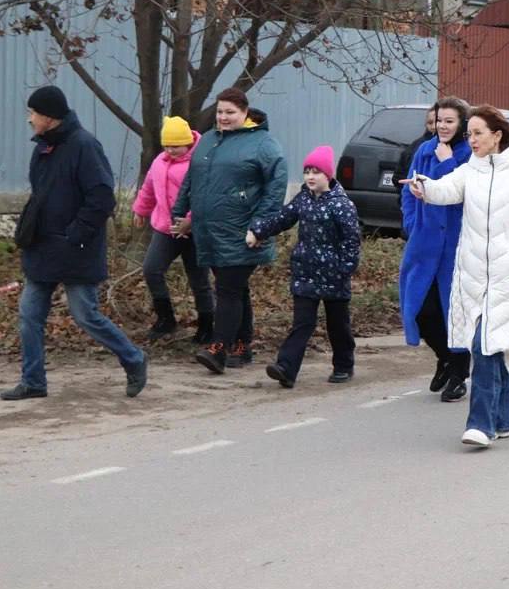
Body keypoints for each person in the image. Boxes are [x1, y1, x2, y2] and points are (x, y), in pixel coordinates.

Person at [403, 107, 509, 449]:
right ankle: (503, 418)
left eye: (477, 133)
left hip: (506, 275)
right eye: (468, 134)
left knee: (483, 345)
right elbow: (445, 190)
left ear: (497, 135)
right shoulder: (469, 170)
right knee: (489, 346)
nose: (471, 140)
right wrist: (422, 187)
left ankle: (481, 425)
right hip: (471, 274)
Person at [0, 86, 148, 401]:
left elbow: (101, 197)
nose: (29, 120)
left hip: (75, 248)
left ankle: (134, 359)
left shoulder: (84, 146)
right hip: (43, 247)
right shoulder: (43, 148)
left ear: (49, 117)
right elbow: (40, 194)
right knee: (29, 314)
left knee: (85, 315)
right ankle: (33, 381)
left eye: (33, 113)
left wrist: (75, 234)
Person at [172, 88, 287, 374]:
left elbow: (276, 186)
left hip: (243, 230)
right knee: (234, 288)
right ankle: (242, 344)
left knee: (227, 289)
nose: (223, 117)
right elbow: (193, 176)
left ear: (245, 113)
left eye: (230, 113)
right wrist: (182, 209)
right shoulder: (209, 139)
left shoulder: (263, 143)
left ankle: (218, 347)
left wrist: (261, 225)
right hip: (209, 230)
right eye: (220, 112)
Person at [248, 145, 361, 387]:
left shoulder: (342, 205)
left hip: (334, 275)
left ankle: (343, 364)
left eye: (316, 172)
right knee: (302, 323)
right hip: (306, 273)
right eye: (307, 171)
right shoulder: (303, 199)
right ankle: (286, 369)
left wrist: (346, 269)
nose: (310, 176)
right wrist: (258, 231)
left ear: (328, 175)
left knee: (338, 325)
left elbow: (352, 241)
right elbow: (283, 218)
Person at [399, 97, 473, 402]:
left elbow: (465, 191)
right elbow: (409, 190)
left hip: (456, 244)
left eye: (449, 121)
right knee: (420, 308)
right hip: (425, 242)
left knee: (454, 312)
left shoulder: (470, 154)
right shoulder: (424, 150)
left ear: (462, 125)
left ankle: (458, 373)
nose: (442, 127)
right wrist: (411, 223)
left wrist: (448, 162)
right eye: (439, 120)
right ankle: (443, 356)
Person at [132, 116, 213, 343]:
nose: (171, 150)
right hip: (165, 228)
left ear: (187, 143)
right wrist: (140, 210)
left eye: (176, 146)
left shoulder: (199, 163)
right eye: (167, 145)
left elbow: (205, 196)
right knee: (151, 269)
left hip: (193, 231)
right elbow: (149, 188)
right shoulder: (159, 161)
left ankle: (207, 324)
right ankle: (166, 318)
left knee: (199, 279)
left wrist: (190, 220)